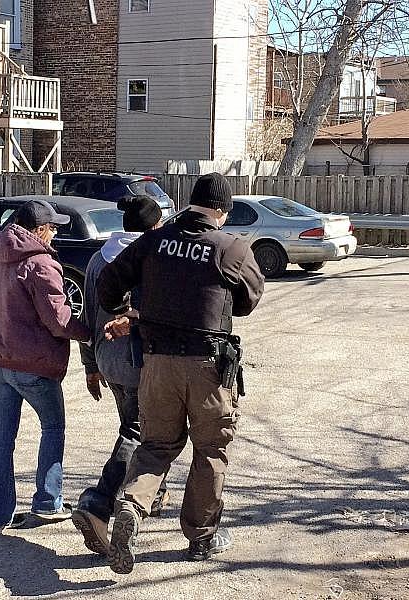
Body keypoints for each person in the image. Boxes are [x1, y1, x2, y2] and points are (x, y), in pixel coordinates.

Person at [96, 172, 265, 574]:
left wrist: (126, 311)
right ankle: (201, 537)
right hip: (208, 368)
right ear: (222, 211)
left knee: (156, 446)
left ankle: (132, 506)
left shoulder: (153, 240)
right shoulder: (231, 247)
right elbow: (248, 300)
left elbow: (107, 283)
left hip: (157, 365)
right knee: (209, 451)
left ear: (190, 203)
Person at [0, 198, 91, 536]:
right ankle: (48, 502)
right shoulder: (41, 264)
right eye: (52, 227)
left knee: (2, 438)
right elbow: (58, 320)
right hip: (34, 365)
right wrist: (90, 332)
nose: (55, 233)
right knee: (53, 429)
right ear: (38, 230)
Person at [72, 195, 169, 555]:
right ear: (156, 226)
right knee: (138, 432)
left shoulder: (98, 259)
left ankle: (154, 493)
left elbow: (86, 317)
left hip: (107, 359)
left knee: (141, 429)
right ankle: (98, 503)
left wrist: (90, 366)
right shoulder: (151, 259)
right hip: (139, 363)